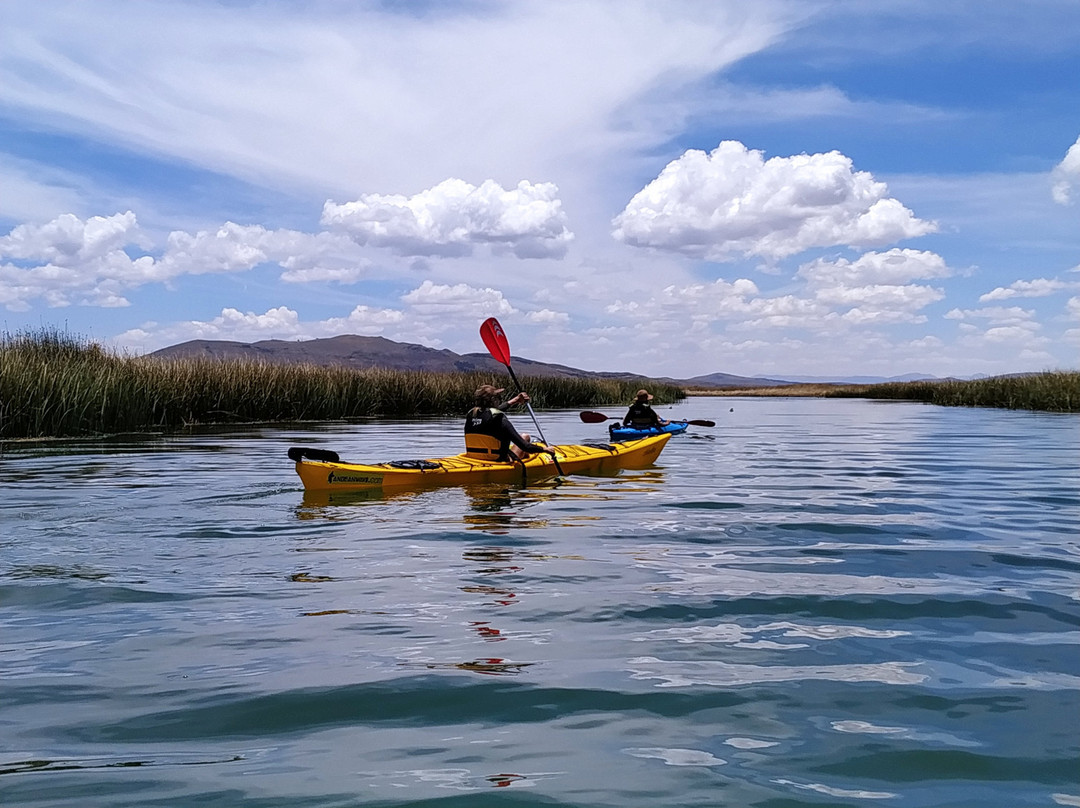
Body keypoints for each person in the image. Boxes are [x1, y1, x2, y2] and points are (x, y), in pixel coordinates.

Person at [465, 384, 557, 462]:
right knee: (525, 437)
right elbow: (525, 446)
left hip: (475, 458)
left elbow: (490, 412)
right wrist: (545, 449)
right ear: (494, 400)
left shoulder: (471, 415)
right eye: (498, 397)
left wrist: (515, 400)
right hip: (499, 459)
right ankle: (525, 457)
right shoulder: (500, 420)